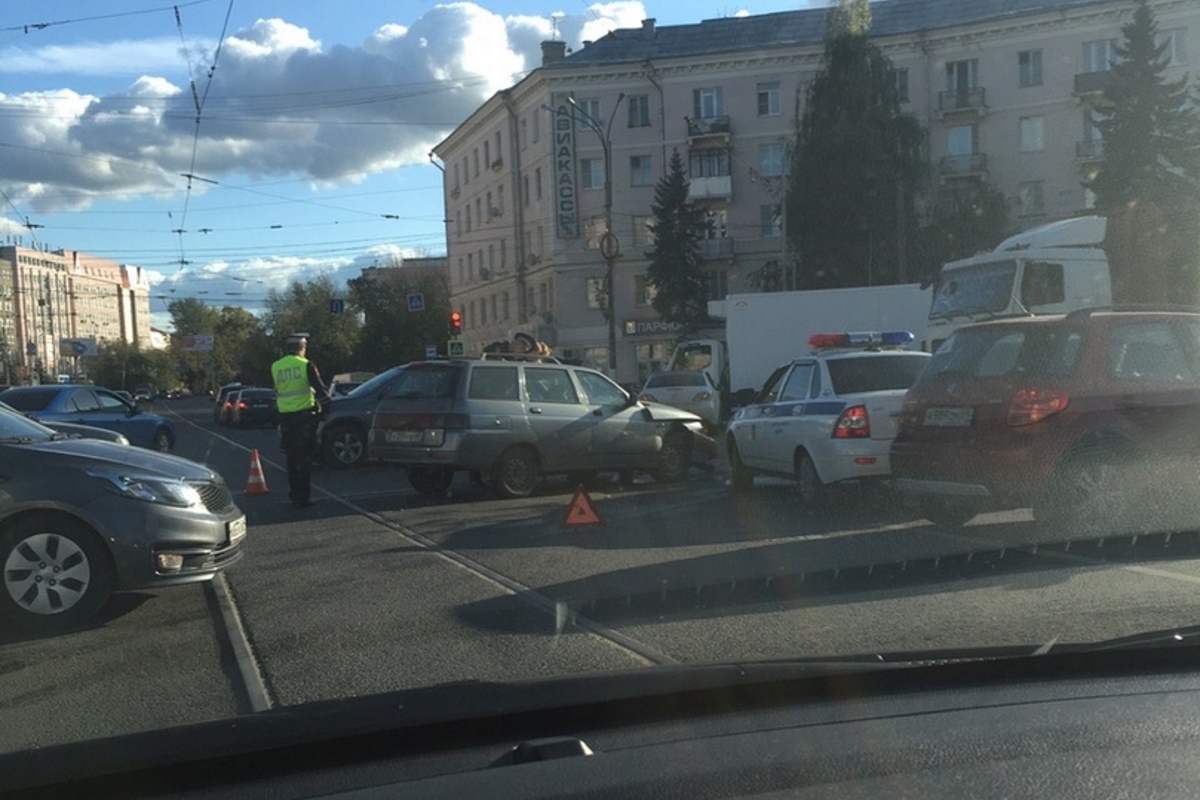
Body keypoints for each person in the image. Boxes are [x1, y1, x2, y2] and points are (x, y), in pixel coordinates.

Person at [271, 334, 329, 508]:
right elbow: (321, 391)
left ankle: (294, 494)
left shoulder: (276, 366)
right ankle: (303, 497)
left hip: (285, 419)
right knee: (304, 459)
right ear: (302, 347)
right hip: (304, 419)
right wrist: (325, 412)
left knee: (291, 458)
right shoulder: (306, 365)